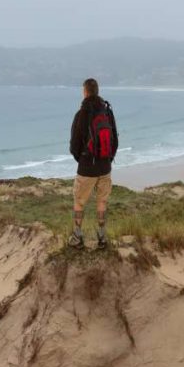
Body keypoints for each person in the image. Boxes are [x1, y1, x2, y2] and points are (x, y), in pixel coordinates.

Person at [68, 77, 118, 249]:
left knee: (79, 201)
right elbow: (115, 141)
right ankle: (102, 238)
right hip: (105, 166)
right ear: (97, 91)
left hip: (87, 167)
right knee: (102, 202)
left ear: (85, 92)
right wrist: (108, 160)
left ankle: (77, 236)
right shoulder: (107, 112)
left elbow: (74, 144)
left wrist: (82, 159)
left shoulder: (82, 114)